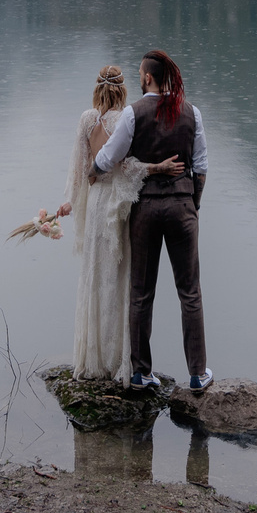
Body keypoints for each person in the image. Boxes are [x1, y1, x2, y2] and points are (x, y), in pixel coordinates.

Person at [52, 64, 183, 378]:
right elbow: (126, 167)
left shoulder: (86, 119)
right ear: (122, 89)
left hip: (96, 203)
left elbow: (82, 167)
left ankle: (90, 359)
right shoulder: (126, 118)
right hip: (117, 207)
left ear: (97, 88)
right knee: (119, 279)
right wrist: (157, 168)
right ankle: (117, 361)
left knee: (94, 278)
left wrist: (70, 201)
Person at [91, 48, 209, 391]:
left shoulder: (133, 113)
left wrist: (90, 171)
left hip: (145, 210)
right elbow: (200, 168)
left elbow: (108, 158)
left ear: (146, 77)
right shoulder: (192, 113)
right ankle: (198, 374)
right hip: (182, 208)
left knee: (141, 292)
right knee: (190, 292)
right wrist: (192, 203)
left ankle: (142, 372)